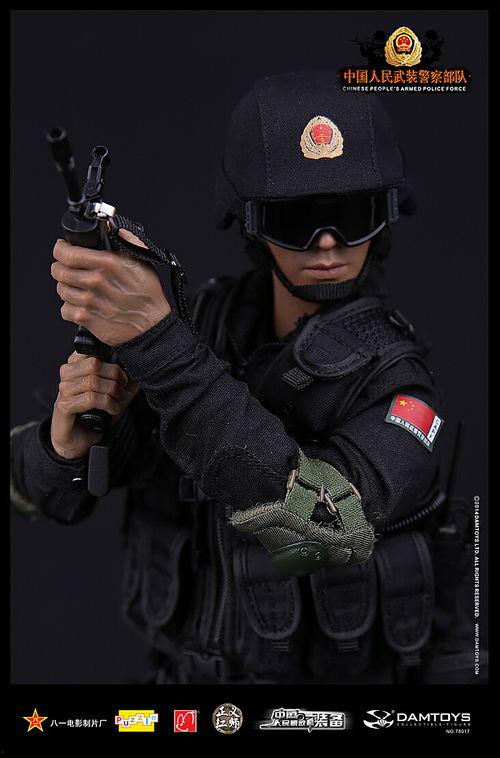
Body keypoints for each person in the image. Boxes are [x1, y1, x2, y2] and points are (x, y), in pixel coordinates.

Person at [11, 69, 474, 684]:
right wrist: (64, 446)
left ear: (385, 216)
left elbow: (319, 531)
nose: (327, 244)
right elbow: (47, 497)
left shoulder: (397, 385)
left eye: (351, 216)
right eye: (297, 220)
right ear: (252, 222)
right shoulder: (206, 329)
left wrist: (159, 341)